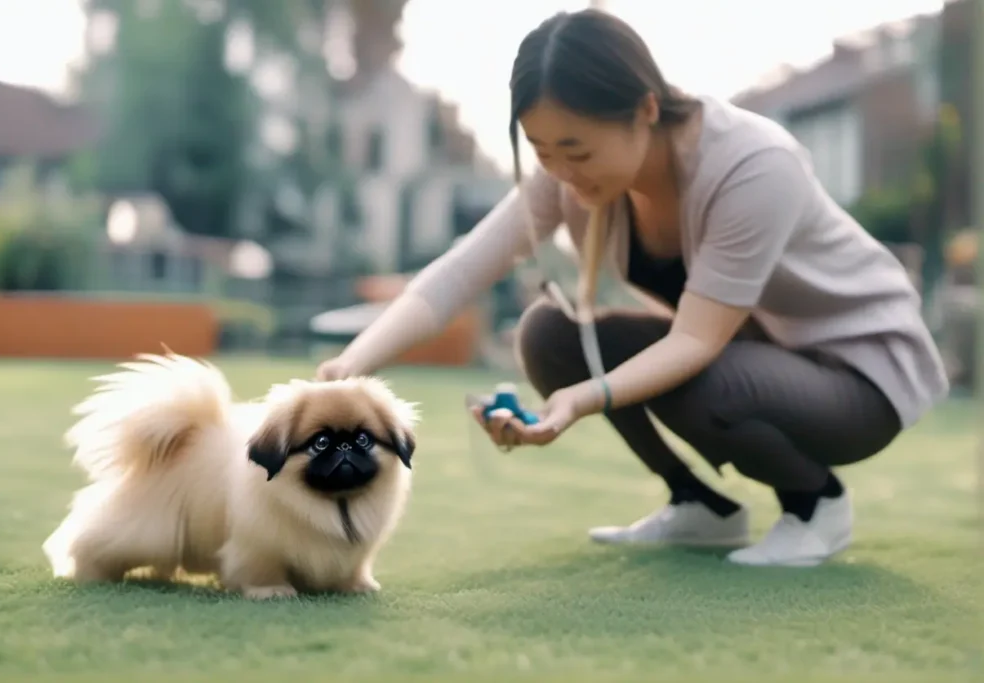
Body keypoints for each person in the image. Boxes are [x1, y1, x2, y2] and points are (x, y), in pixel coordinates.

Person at [316, 8, 949, 567]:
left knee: (689, 375)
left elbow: (696, 343)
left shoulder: (752, 164)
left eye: (577, 150)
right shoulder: (571, 178)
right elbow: (461, 271)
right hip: (753, 357)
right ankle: (700, 505)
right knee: (549, 334)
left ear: (645, 108)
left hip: (859, 381)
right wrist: (350, 365)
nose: (562, 172)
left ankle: (816, 505)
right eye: (541, 150)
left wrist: (580, 401)